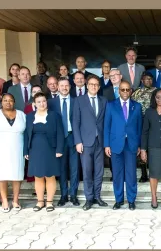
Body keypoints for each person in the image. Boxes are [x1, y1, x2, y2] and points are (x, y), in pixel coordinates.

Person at [104, 81, 142, 210]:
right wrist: (106, 145)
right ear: (119, 91)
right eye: (122, 90)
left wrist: (139, 145)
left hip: (131, 144)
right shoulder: (111, 105)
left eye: (127, 90)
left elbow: (139, 127)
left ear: (131, 91)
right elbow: (107, 126)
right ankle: (119, 200)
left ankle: (131, 200)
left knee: (131, 173)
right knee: (118, 174)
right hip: (115, 144)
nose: (125, 92)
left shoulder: (136, 106)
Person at [24, 92, 64, 212]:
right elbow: (26, 134)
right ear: (34, 104)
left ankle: (50, 202)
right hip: (35, 150)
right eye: (39, 102)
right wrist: (26, 150)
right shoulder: (30, 116)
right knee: (38, 176)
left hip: (50, 149)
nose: (42, 104)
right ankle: (40, 201)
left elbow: (60, 133)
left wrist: (59, 149)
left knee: (50, 176)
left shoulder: (54, 115)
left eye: (44, 101)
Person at [73, 75, 108, 211]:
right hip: (85, 142)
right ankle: (89, 198)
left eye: (96, 84)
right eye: (91, 84)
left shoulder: (103, 101)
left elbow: (105, 121)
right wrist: (78, 141)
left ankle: (97, 196)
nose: (94, 86)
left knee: (99, 171)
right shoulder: (79, 101)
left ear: (99, 87)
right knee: (87, 171)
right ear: (87, 85)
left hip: (100, 141)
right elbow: (75, 122)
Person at [48, 78, 80, 207]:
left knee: (74, 169)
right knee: (61, 169)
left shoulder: (77, 101)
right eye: (62, 86)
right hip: (58, 140)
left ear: (70, 87)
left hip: (73, 138)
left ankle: (73, 195)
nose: (64, 88)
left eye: (66, 85)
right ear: (57, 87)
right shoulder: (51, 103)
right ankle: (63, 195)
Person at [131, 72, 156, 183]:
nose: (148, 81)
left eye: (150, 79)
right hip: (140, 124)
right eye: (146, 79)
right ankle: (144, 174)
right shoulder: (136, 93)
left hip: (153, 124)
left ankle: (153, 173)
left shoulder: (157, 92)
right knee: (142, 148)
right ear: (142, 80)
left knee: (152, 148)